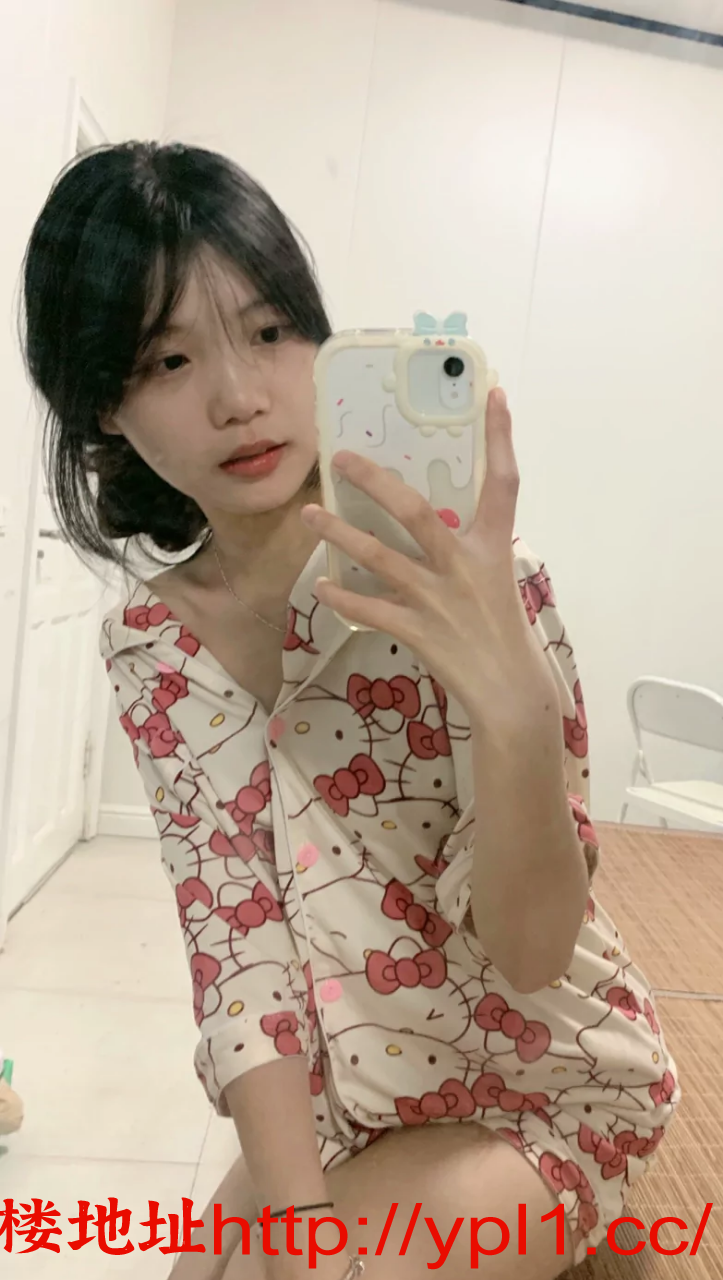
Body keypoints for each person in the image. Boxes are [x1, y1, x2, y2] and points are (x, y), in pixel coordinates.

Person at [21, 142, 679, 1280]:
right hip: (358, 1100)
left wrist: (518, 715)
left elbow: (532, 953)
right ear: (105, 411)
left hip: (549, 1089)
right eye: (168, 358)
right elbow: (238, 952)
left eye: (271, 330)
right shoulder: (154, 643)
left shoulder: (473, 583)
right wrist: (296, 1225)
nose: (239, 395)